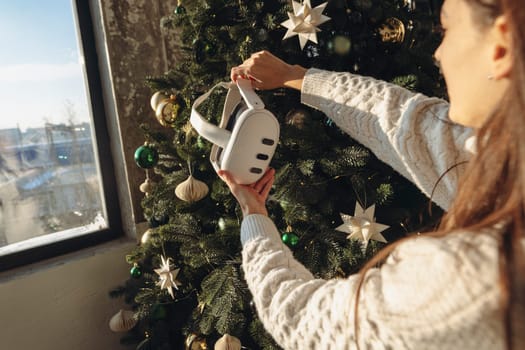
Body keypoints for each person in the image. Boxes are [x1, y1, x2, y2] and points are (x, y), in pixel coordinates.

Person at [218, 0, 525, 349]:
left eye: (447, 27)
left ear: (500, 46)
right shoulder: (506, 165)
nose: (438, 52)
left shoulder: (478, 279)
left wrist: (254, 218)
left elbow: (300, 316)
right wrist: (295, 76)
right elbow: (409, 124)